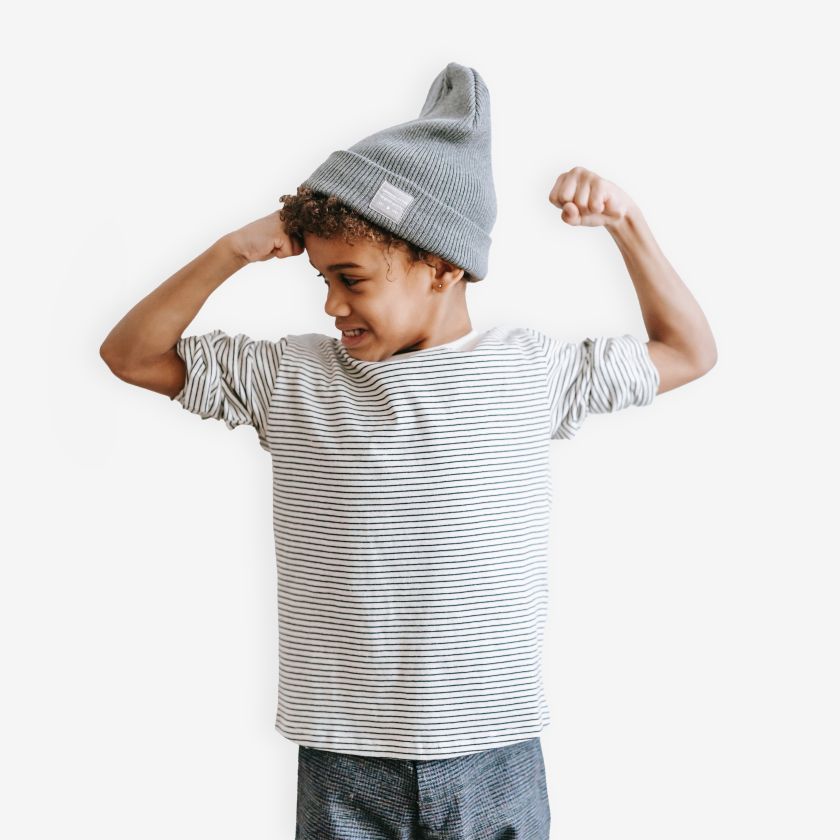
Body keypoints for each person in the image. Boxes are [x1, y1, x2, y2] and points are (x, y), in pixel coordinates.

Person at [100, 62, 717, 840]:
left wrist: (627, 223)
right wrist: (231, 251)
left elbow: (688, 352)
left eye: (351, 279)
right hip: (344, 756)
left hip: (493, 751)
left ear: (444, 264)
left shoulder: (529, 372)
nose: (331, 303)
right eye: (323, 278)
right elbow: (131, 355)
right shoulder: (292, 378)